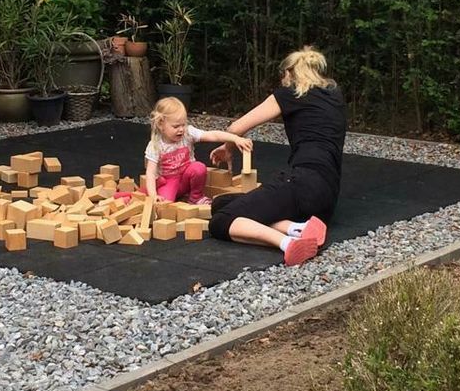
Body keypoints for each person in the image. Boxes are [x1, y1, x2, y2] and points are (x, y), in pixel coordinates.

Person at [208, 46, 346, 266]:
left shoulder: (289, 93)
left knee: (220, 221)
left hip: (300, 183)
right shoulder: (335, 95)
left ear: (289, 73)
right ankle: (299, 228)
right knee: (220, 203)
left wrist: (227, 148)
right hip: (327, 196)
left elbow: (236, 127)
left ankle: (288, 243)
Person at [145, 97, 253, 205]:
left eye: (183, 124)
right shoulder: (155, 145)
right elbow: (150, 173)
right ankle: (178, 196)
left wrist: (235, 139)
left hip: (186, 178)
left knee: (199, 168)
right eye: (176, 126)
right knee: (164, 205)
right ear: (160, 124)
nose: (181, 129)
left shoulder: (188, 133)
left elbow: (213, 135)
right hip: (168, 182)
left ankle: (195, 197)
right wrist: (153, 195)